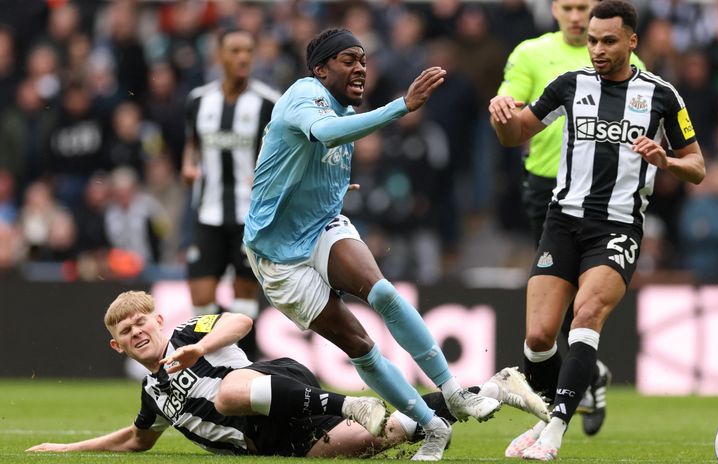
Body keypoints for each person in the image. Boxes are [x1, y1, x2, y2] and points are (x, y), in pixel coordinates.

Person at [242, 28, 513, 461]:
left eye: (364, 60)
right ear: (320, 69)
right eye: (349, 59)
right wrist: (402, 106)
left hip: (321, 225)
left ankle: (455, 391)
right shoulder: (303, 94)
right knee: (362, 345)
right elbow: (327, 134)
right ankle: (432, 425)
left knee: (383, 291)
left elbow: (306, 156)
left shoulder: (341, 106)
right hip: (277, 257)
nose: (361, 68)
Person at [489, 0, 705, 460]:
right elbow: (517, 134)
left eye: (608, 41)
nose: (598, 49)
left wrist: (665, 161)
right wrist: (503, 118)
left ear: (632, 41)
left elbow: (698, 167)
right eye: (592, 40)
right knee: (538, 339)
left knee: (585, 319)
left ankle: (553, 435)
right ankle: (552, 415)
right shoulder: (568, 86)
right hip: (562, 220)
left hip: (618, 226)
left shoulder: (662, 96)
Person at [26, 291, 548, 458]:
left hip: (275, 383)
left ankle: (351, 403)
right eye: (127, 331)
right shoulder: (151, 391)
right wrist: (66, 451)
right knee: (389, 435)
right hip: (275, 439)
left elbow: (242, 320)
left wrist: (203, 346)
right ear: (117, 345)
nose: (138, 332)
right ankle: (495, 390)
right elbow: (137, 440)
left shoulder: (187, 333)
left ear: (158, 320)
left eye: (143, 321)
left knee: (227, 393)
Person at [495, 0, 646, 437]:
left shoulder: (623, 56)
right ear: (554, 11)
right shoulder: (531, 53)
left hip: (608, 200)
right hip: (548, 187)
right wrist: (504, 108)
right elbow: (513, 104)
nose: (577, 16)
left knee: (584, 306)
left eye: (584, 7)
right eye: (568, 7)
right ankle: (589, 376)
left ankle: (571, 390)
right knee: (554, 306)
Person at [181, 28, 281, 358]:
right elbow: (191, 146)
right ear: (219, 55)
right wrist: (188, 165)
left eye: (249, 50)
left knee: (243, 301)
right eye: (235, 50)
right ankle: (208, 368)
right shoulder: (198, 101)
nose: (243, 57)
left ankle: (243, 367)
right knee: (201, 299)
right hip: (206, 212)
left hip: (249, 216)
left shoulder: (268, 102)